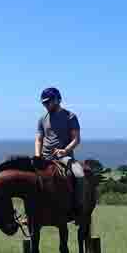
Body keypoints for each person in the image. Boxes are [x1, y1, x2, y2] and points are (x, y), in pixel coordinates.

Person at [34, 87, 85, 217]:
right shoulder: (42, 119)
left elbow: (76, 139)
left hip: (64, 157)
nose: (45, 105)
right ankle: (29, 213)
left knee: (79, 174)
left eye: (48, 102)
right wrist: (37, 155)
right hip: (45, 157)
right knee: (27, 179)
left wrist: (65, 151)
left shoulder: (70, 117)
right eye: (44, 103)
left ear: (57, 100)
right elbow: (39, 139)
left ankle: (78, 208)